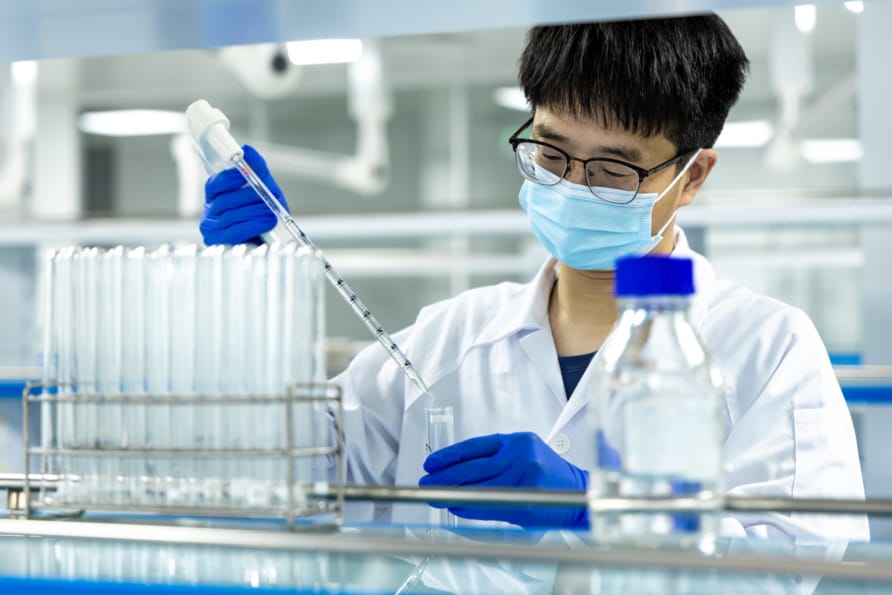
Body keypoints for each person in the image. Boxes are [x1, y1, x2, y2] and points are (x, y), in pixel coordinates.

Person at [200, 14, 868, 540]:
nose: (572, 186)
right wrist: (250, 286)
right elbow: (286, 463)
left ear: (691, 175)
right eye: (551, 152)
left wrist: (597, 505)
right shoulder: (451, 334)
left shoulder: (768, 347)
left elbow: (794, 555)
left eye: (612, 170)